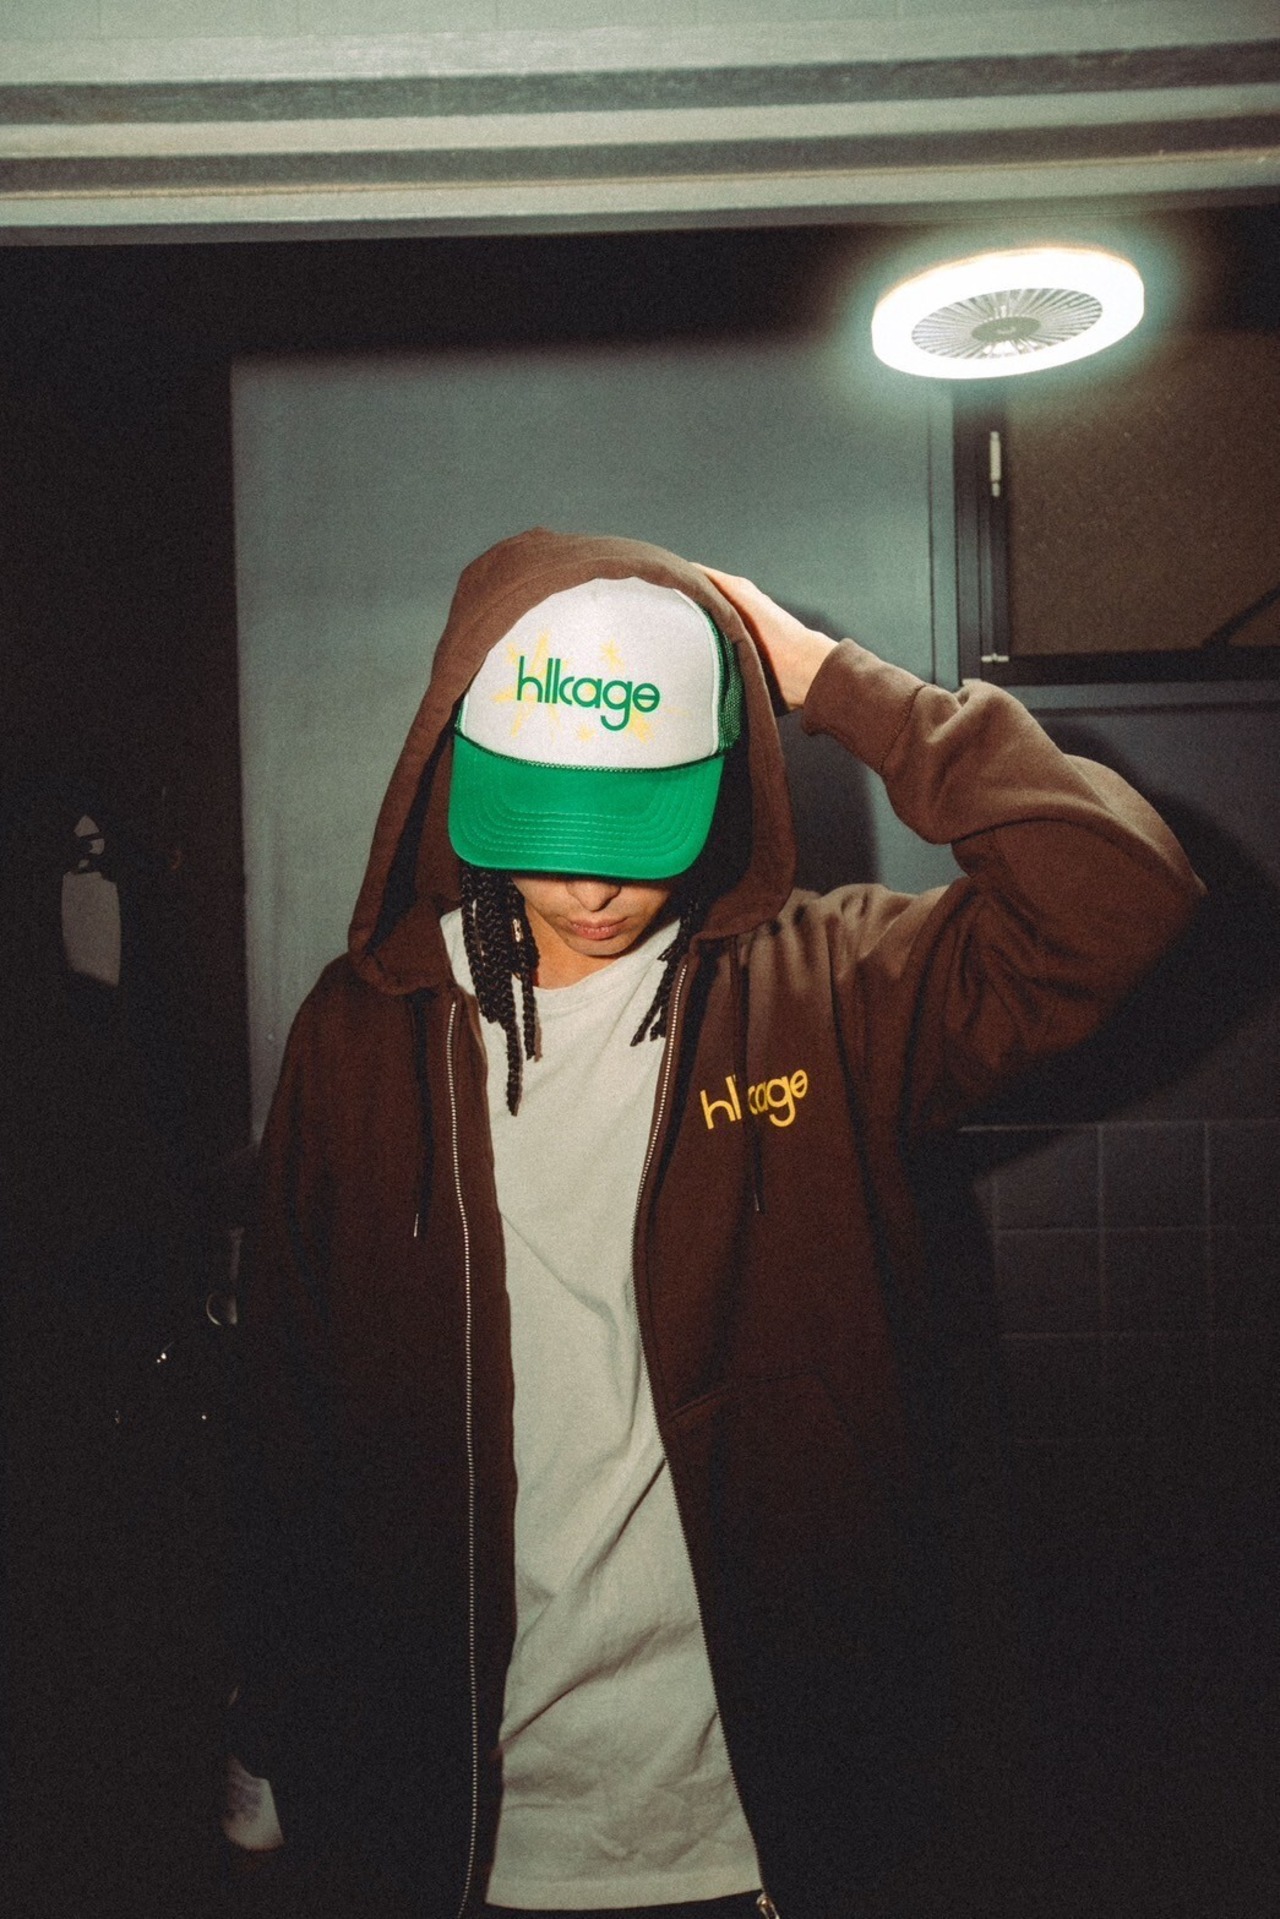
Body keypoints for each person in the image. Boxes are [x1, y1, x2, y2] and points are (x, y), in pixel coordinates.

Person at [228, 528, 1201, 1919]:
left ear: (718, 784)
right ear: (459, 777)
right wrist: (272, 1715)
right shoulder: (360, 1032)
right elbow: (285, 1398)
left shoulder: (831, 989)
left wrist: (836, 684)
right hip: (463, 1829)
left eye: (635, 831)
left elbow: (1123, 899)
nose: (593, 889)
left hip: (762, 1830)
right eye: (548, 827)